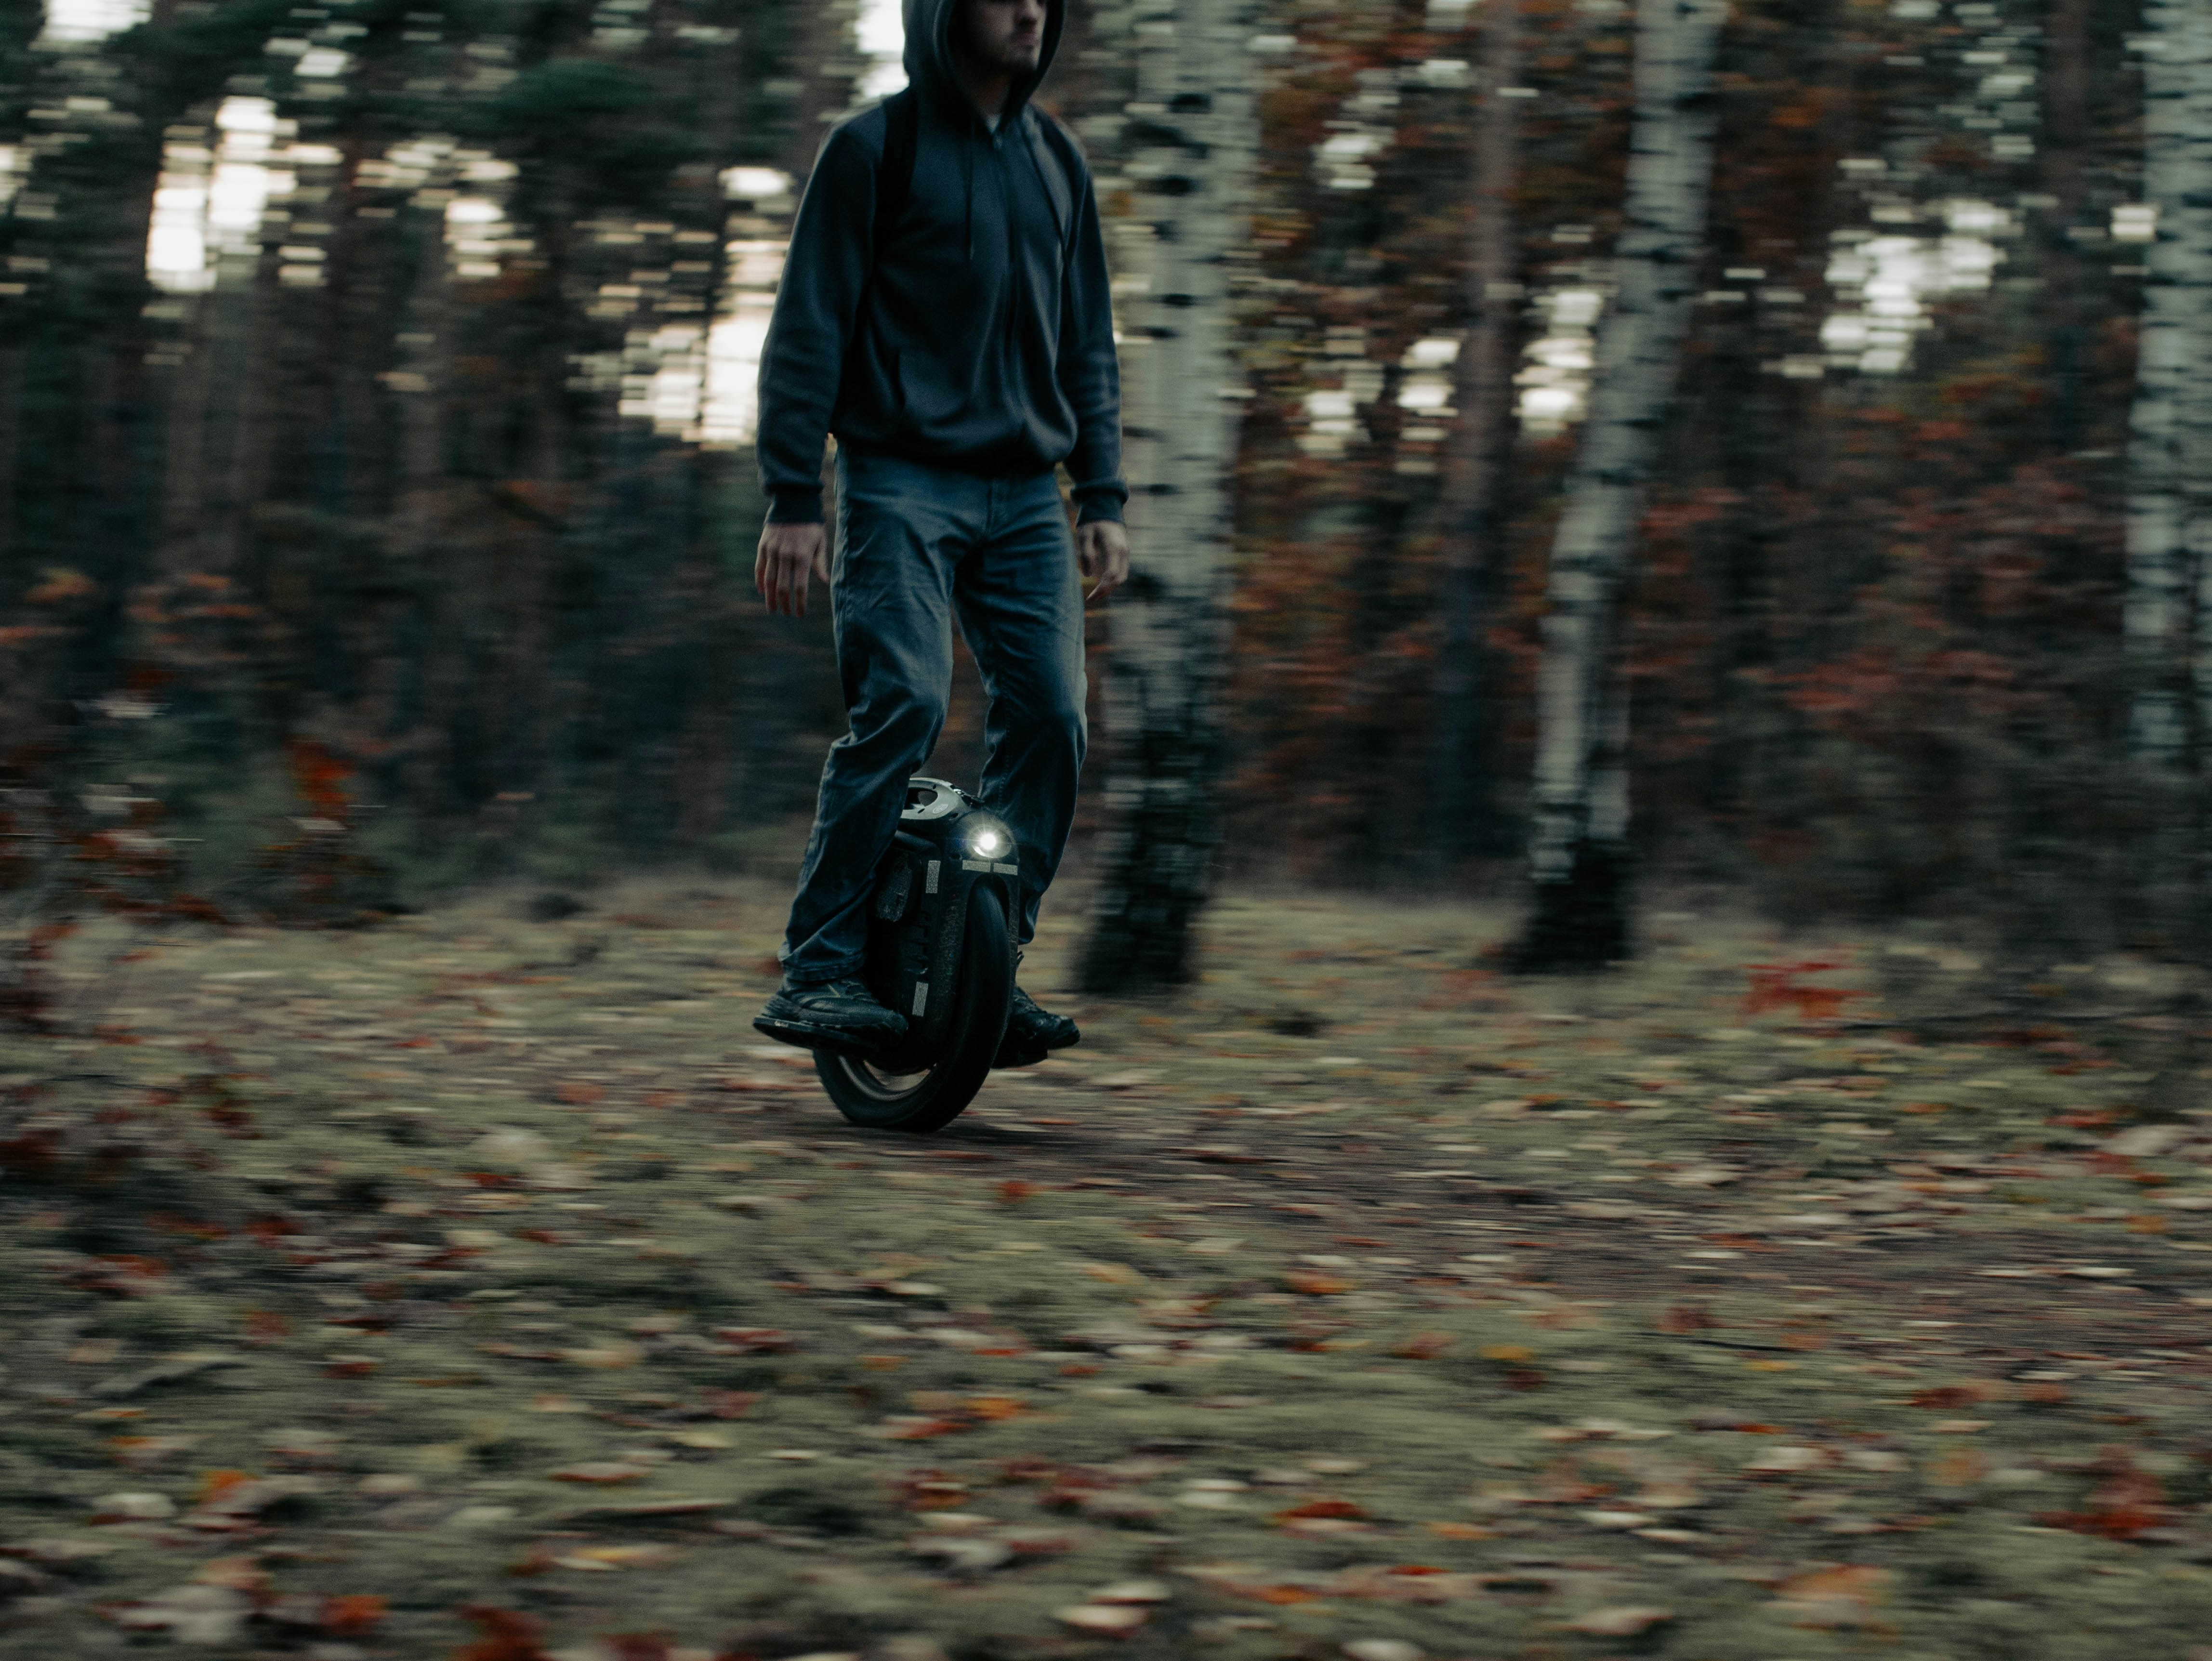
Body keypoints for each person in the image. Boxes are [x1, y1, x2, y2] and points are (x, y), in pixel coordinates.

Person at [751, 0, 1130, 1066]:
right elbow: (809, 321)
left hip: (1025, 495)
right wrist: (792, 495)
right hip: (895, 478)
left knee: (1054, 717)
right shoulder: (876, 148)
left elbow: (1085, 342)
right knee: (906, 701)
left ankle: (983, 964)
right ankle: (819, 965)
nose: (1028, 10)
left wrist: (1101, 494)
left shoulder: (1059, 163)